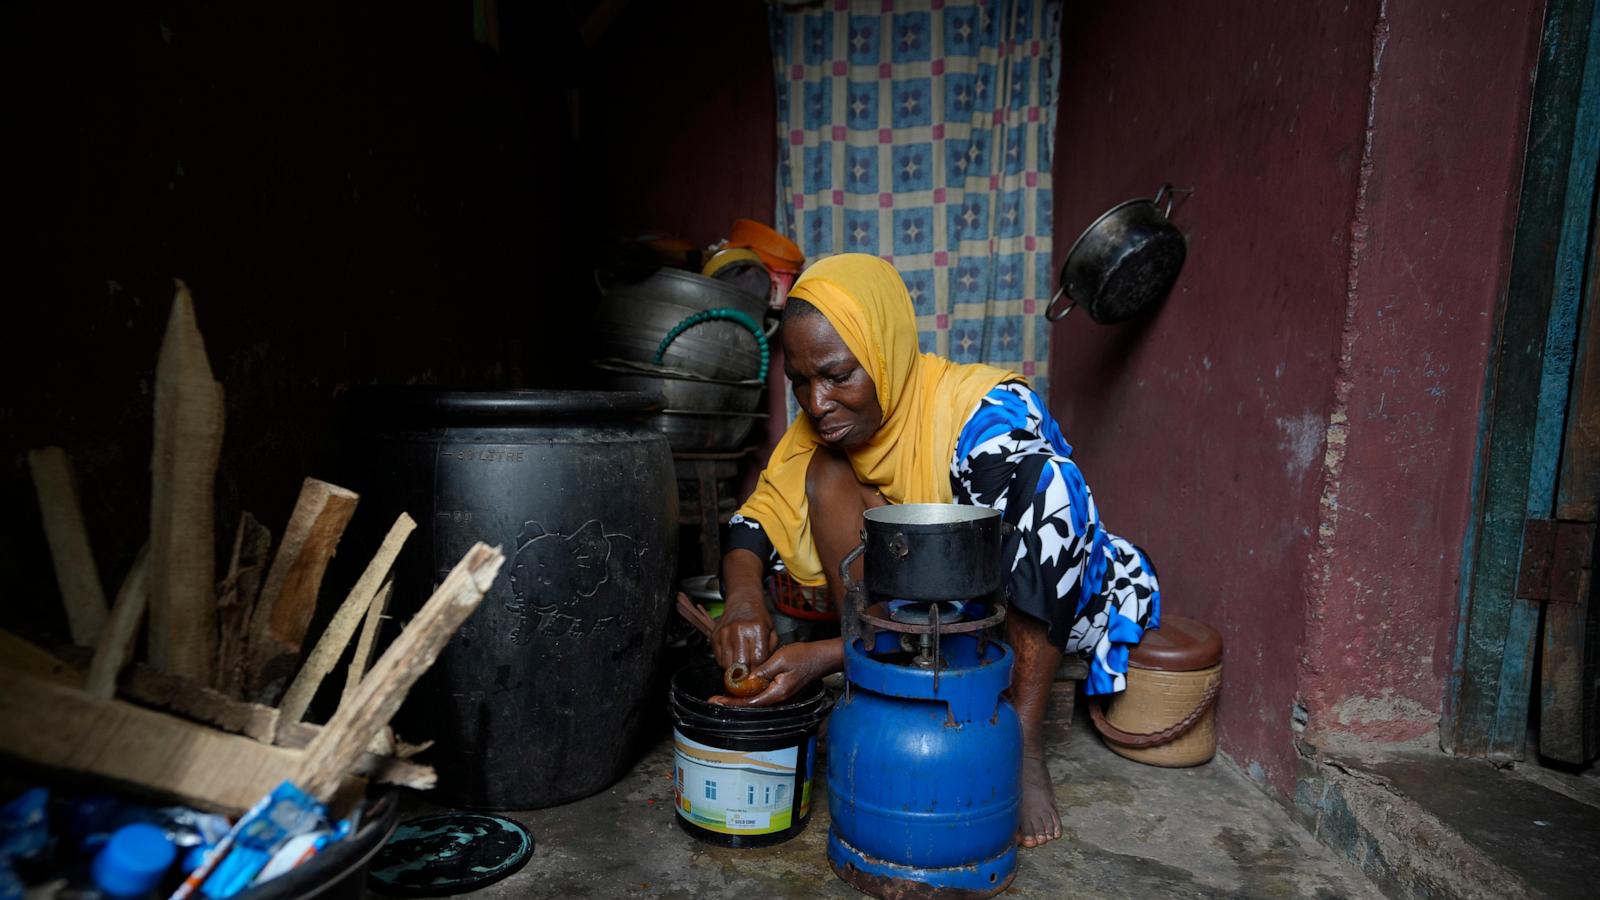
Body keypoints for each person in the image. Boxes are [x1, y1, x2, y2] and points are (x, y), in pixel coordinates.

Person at [707, 253, 1160, 849]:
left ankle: (1019, 739)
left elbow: (1049, 513)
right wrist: (742, 601)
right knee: (824, 472)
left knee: (1048, 487)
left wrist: (820, 656)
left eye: (839, 375)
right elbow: (752, 524)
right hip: (910, 619)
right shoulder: (819, 433)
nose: (816, 404)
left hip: (1021, 602)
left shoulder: (977, 410)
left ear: (886, 354)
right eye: (799, 381)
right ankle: (871, 676)